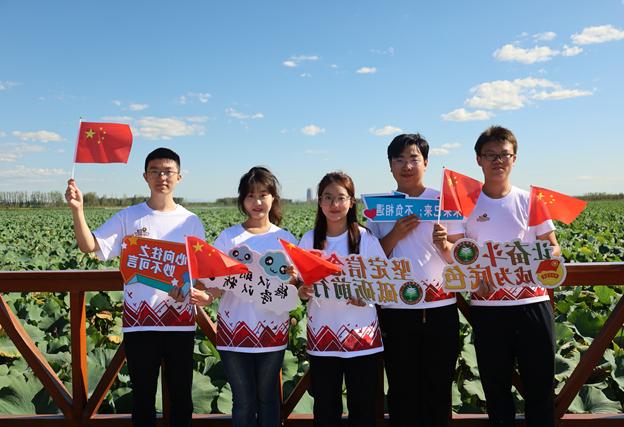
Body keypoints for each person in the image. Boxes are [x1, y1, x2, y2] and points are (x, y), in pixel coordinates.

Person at [65, 147, 206, 427]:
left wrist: (191, 290)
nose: (161, 177)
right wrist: (77, 210)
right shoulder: (128, 217)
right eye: (154, 171)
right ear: (145, 176)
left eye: (168, 171)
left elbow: (198, 272)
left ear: (179, 177)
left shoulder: (191, 221)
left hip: (180, 323)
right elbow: (90, 246)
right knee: (142, 399)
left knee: (181, 399)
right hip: (139, 324)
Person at [434, 126, 560, 427]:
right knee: (495, 390)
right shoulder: (465, 203)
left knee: (540, 388)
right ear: (479, 160)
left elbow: (553, 247)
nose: (497, 161)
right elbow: (455, 250)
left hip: (533, 304)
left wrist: (533, 259)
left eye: (504, 154)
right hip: (488, 308)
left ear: (514, 158)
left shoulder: (532, 200)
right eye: (490, 155)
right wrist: (445, 247)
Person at [367, 133, 463, 427]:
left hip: (441, 309)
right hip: (396, 313)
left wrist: (445, 245)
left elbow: (461, 258)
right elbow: (371, 262)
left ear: (426, 162)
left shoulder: (444, 200)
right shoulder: (379, 208)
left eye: (413, 159)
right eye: (399, 159)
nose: (407, 165)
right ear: (390, 165)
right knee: (401, 391)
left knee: (438, 389)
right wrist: (395, 234)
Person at [210, 166, 297, 427]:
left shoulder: (285, 239)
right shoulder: (228, 238)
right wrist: (205, 294)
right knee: (243, 401)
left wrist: (292, 278)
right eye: (250, 195)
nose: (257, 202)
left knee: (269, 399)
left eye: (263, 194)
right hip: (234, 331)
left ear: (273, 198)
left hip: (273, 330)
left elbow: (297, 284)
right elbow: (214, 281)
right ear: (242, 201)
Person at [297, 171, 385, 427]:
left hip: (362, 337)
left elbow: (384, 285)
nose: (334, 205)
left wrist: (366, 296)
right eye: (328, 198)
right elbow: (300, 286)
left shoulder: (366, 239)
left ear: (351, 202)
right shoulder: (308, 240)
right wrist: (303, 291)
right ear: (319, 202)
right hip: (323, 337)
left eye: (341, 198)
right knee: (325, 409)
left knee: (363, 409)